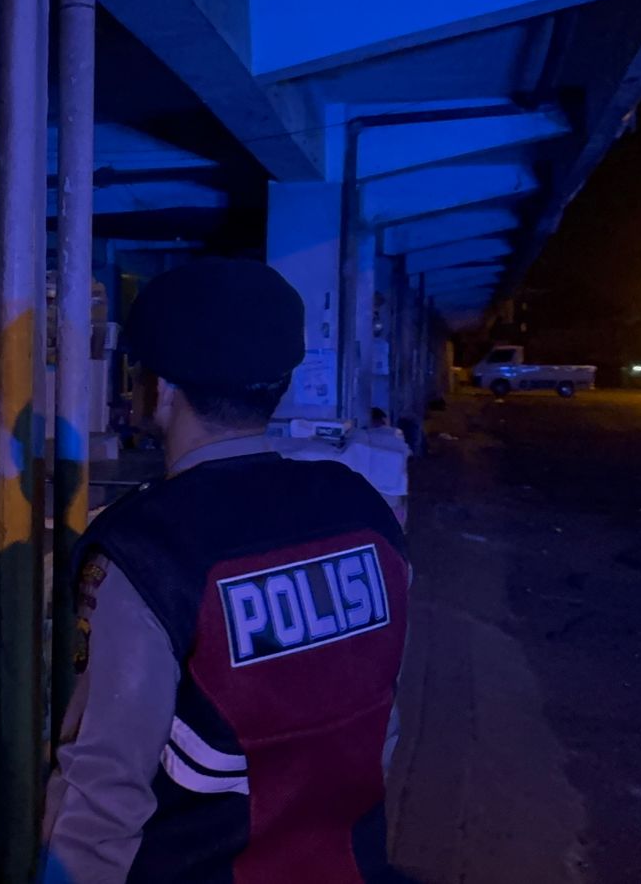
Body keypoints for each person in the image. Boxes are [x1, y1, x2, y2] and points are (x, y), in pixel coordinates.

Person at [40, 258, 412, 884]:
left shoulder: (146, 549)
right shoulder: (364, 510)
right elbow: (383, 725)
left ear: (160, 390)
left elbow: (101, 796)